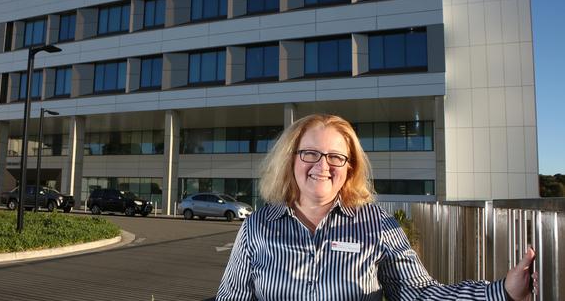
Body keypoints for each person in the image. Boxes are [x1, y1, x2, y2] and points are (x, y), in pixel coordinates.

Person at [217, 114, 537, 301]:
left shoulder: (378, 225)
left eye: (335, 156)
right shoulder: (257, 226)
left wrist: (501, 292)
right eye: (310, 153)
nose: (322, 165)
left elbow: (420, 294)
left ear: (349, 167)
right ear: (291, 159)